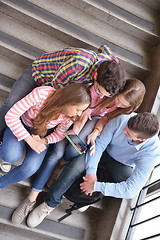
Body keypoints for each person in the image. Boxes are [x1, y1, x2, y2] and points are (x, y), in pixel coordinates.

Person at [11, 78, 146, 225]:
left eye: (123, 105)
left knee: (121, 175)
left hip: (102, 146)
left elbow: (132, 189)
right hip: (93, 138)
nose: (117, 104)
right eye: (118, 99)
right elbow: (100, 136)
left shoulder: (127, 119)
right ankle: (41, 196)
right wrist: (90, 121)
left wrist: (96, 186)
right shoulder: (109, 101)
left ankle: (81, 193)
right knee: (63, 154)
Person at [0, 45, 126, 172]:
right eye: (98, 91)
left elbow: (105, 48)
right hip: (42, 76)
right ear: (96, 74)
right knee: (11, 104)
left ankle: (13, 142)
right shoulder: (79, 64)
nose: (99, 96)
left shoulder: (113, 67)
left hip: (64, 88)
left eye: (105, 95)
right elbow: (59, 92)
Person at [24, 112, 160, 228]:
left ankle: (87, 199)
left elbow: (132, 190)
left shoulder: (152, 152)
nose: (124, 130)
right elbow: (99, 145)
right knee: (74, 168)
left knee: (123, 179)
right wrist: (91, 173)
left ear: (141, 140)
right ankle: (49, 203)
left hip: (120, 163)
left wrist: (96, 186)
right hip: (101, 150)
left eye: (129, 133)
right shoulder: (123, 119)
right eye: (126, 127)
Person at [0, 83, 91, 190]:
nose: (79, 114)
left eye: (82, 111)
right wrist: (29, 139)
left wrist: (44, 141)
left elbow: (59, 134)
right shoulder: (41, 94)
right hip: (22, 124)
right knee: (11, 155)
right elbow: (11, 116)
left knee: (31, 168)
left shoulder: (70, 116)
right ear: (69, 101)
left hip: (42, 134)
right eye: (78, 110)